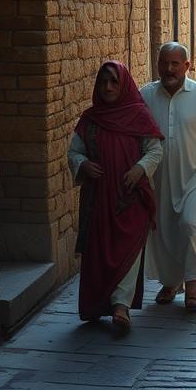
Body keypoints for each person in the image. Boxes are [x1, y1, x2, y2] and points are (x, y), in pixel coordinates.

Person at [68, 61, 163, 330]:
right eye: (103, 82)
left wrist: (139, 169)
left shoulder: (139, 116)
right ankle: (98, 303)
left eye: (114, 82)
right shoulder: (90, 119)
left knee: (128, 250)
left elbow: (154, 150)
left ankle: (121, 306)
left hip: (129, 197)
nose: (108, 87)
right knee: (98, 251)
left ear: (124, 85)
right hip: (98, 198)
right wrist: (83, 164)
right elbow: (74, 151)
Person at [141, 42, 196, 311]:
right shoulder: (145, 96)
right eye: (164, 63)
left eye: (175, 63)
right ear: (157, 65)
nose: (169, 69)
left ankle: (192, 285)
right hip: (159, 179)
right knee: (165, 229)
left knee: (191, 225)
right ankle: (171, 282)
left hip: (195, 176)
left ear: (187, 66)